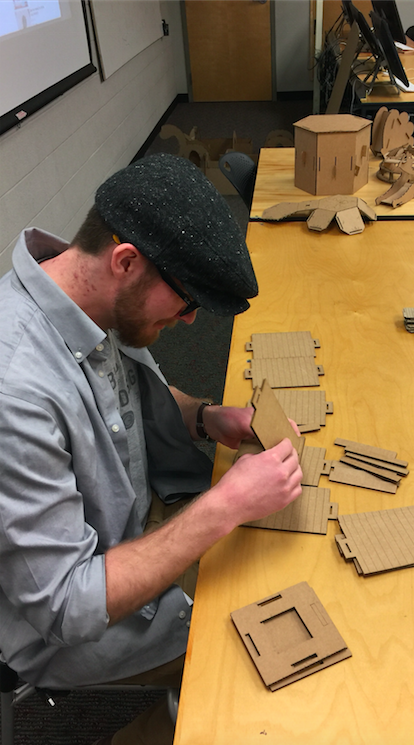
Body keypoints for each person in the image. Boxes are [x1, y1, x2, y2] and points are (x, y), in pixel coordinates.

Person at [0, 154, 303, 745]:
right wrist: (223, 506)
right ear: (126, 260)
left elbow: (137, 396)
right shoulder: (16, 391)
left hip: (128, 535)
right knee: (266, 653)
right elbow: (65, 606)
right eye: (186, 303)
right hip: (60, 622)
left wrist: (207, 417)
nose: (191, 321)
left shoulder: (84, 294)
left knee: (275, 569)